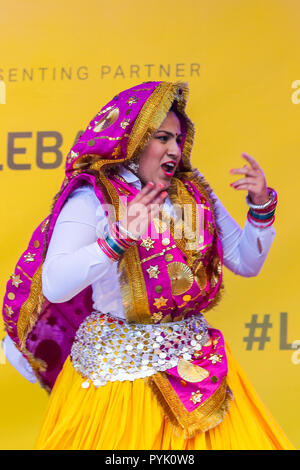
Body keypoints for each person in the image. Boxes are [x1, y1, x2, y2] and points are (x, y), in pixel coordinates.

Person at [2, 81, 294, 450]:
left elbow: (246, 261)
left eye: (177, 138)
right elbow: (56, 285)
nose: (174, 149)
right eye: (162, 138)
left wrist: (260, 206)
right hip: (120, 375)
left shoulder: (194, 194)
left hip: (196, 363)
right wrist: (117, 240)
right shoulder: (93, 197)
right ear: (132, 139)